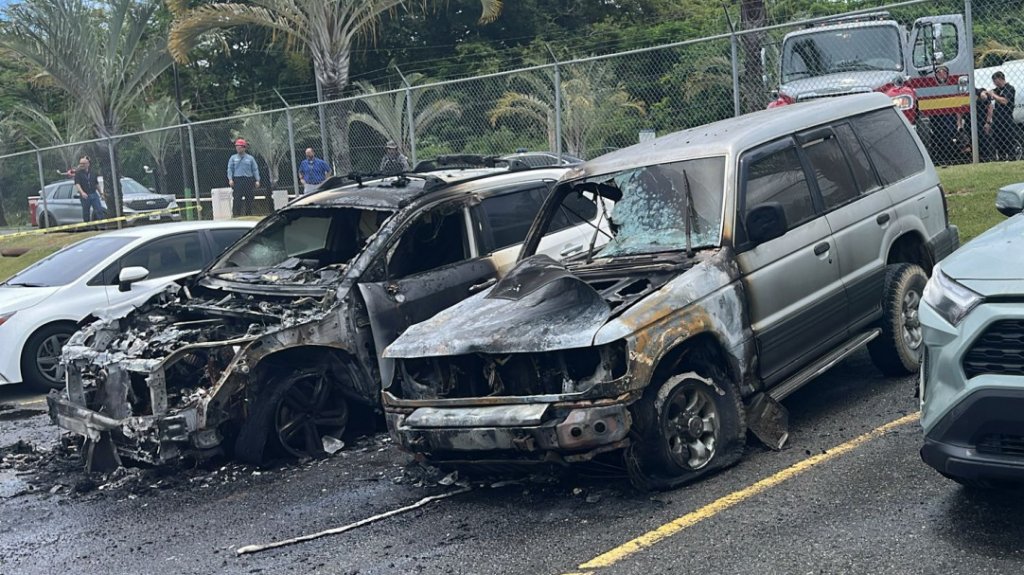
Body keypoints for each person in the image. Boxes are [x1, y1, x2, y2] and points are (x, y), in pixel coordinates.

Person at [931, 66, 958, 164]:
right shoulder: (932, 87)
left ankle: (951, 159)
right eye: (939, 73)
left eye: (944, 73)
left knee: (949, 136)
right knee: (939, 137)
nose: (941, 75)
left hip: (949, 117)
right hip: (937, 118)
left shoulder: (952, 86)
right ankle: (941, 159)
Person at [987, 71, 1017, 160]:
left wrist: (993, 95)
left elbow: (1004, 101)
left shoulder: (1010, 88)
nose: (994, 83)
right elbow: (988, 94)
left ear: (1000, 79)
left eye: (995, 81)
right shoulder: (997, 90)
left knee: (1009, 140)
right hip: (997, 119)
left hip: (1006, 119)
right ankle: (1001, 158)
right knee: (998, 141)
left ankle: (1012, 158)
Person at [226, 138, 261, 216]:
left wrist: (257, 180)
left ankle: (249, 214)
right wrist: (230, 179)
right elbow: (230, 169)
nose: (238, 148)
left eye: (240, 146)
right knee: (237, 198)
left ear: (244, 147)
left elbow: (255, 169)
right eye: (237, 146)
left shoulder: (250, 158)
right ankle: (236, 215)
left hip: (248, 179)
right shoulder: (233, 158)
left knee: (249, 198)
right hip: (238, 180)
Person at [73, 156, 105, 223]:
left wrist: (101, 193)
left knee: (99, 210)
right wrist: (82, 192)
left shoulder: (93, 172)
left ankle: (101, 225)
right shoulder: (78, 173)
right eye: (81, 163)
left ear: (88, 164)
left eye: (83, 163)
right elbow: (77, 184)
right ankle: (87, 227)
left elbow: (96, 184)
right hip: (85, 195)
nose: (82, 165)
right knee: (86, 212)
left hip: (93, 194)